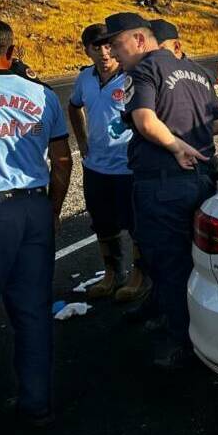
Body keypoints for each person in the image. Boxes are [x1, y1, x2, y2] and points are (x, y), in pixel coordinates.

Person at [102, 12, 218, 368]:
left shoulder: (145, 70)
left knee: (168, 262)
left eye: (116, 43)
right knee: (195, 261)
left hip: (164, 181)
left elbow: (143, 119)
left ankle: (181, 341)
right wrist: (190, 133)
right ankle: (185, 321)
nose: (112, 52)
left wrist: (174, 144)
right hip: (201, 177)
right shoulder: (198, 71)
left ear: (140, 40)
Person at [0, 19, 73, 426]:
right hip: (31, 208)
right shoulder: (42, 95)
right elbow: (62, 160)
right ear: (13, 51)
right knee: (32, 312)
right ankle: (36, 402)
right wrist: (53, 209)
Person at [67, 24, 150, 302]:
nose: (103, 53)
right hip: (96, 167)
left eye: (107, 46)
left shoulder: (131, 77)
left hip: (127, 167)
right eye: (96, 47)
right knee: (103, 223)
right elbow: (73, 105)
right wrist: (81, 141)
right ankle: (112, 274)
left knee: (135, 225)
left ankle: (140, 276)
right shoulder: (85, 79)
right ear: (86, 50)